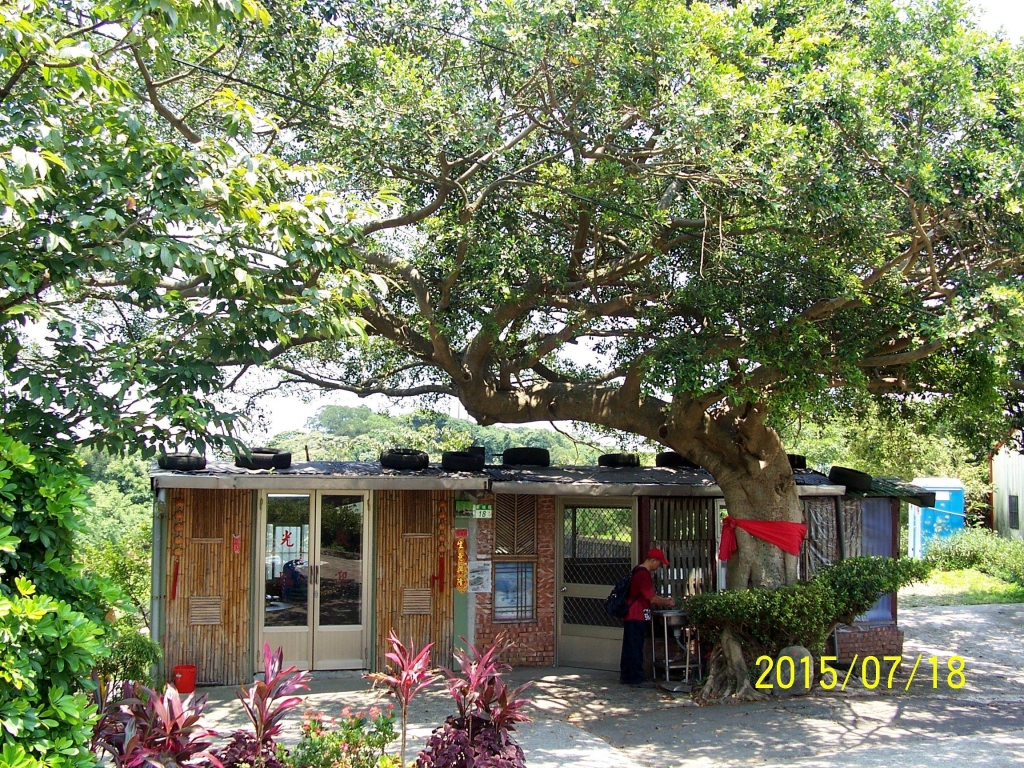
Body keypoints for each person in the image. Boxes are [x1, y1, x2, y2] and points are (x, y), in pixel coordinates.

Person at [619, 547, 675, 686]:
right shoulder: (643, 575)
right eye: (659, 563)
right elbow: (651, 598)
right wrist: (667, 602)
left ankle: (626, 675)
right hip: (637, 614)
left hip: (631, 614)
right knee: (636, 647)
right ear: (653, 560)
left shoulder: (636, 570)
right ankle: (636, 678)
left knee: (629, 645)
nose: (659, 566)